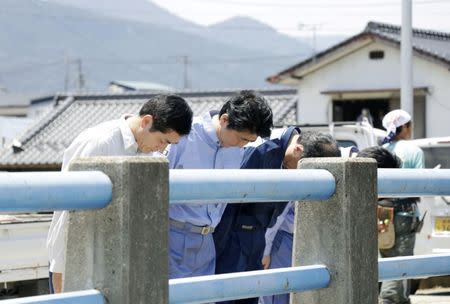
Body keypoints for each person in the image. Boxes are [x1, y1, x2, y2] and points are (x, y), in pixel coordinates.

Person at [46, 94, 193, 293]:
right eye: (162, 140)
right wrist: (62, 273)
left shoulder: (149, 151)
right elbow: (69, 216)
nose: (162, 148)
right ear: (147, 121)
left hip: (120, 261)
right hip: (85, 259)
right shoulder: (100, 142)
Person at [213, 130, 340, 304]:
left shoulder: (289, 162)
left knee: (250, 296)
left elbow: (279, 213)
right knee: (226, 295)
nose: (304, 175)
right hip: (232, 236)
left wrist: (263, 247)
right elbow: (228, 203)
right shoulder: (259, 148)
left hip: (257, 238)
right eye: (305, 168)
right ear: (298, 150)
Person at [167, 90, 273, 279]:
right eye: (242, 138)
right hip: (174, 234)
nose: (243, 145)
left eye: (249, 141)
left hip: (209, 240)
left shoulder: (237, 147)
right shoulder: (184, 135)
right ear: (224, 120)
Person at [379, 109, 425, 304]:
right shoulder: (414, 150)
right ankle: (387, 300)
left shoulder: (381, 150)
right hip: (405, 212)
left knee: (388, 256)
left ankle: (402, 300)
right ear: (404, 127)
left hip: (381, 210)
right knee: (402, 259)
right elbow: (421, 183)